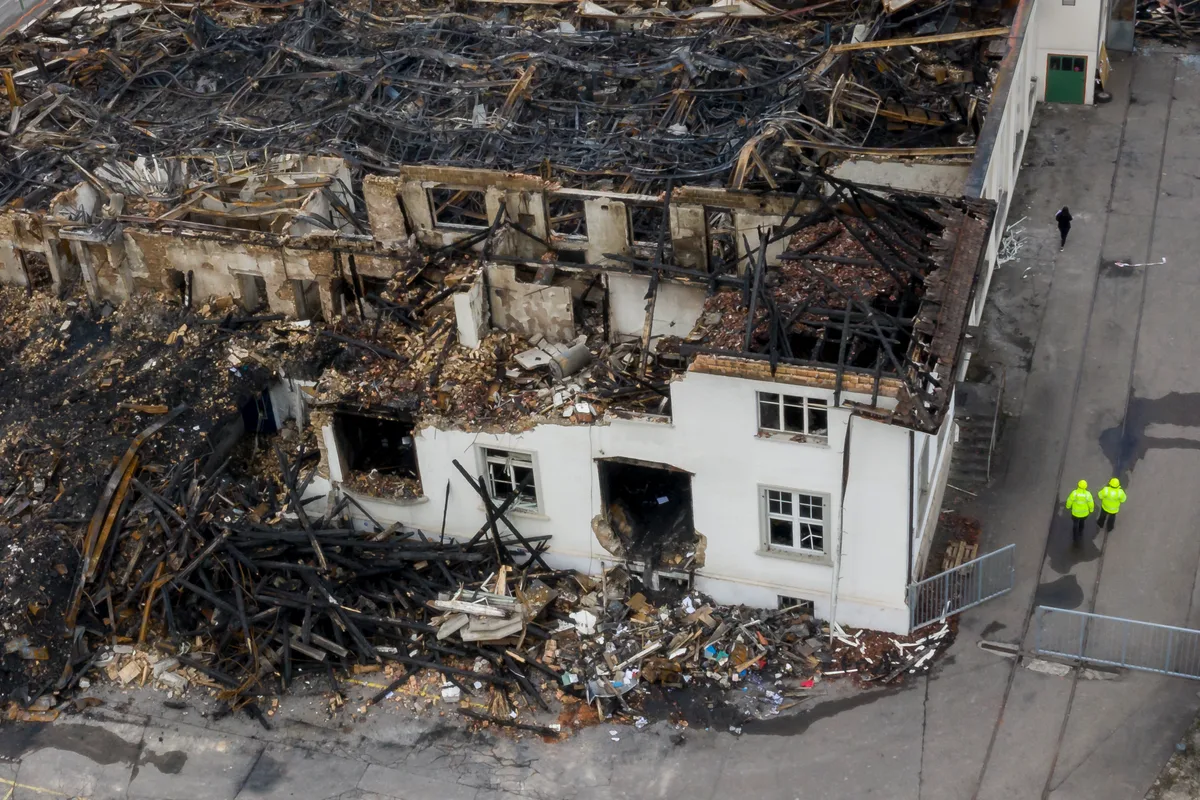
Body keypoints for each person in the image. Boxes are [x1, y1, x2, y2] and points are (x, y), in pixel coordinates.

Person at [1065, 479, 1094, 546]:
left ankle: (1075, 536)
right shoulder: (1088, 494)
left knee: (1075, 524)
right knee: (1082, 522)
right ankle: (1080, 531)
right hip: (1084, 513)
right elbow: (1091, 503)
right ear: (1086, 487)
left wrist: (1068, 506)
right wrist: (1091, 509)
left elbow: (1069, 500)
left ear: (1078, 485)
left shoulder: (1074, 493)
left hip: (1075, 513)